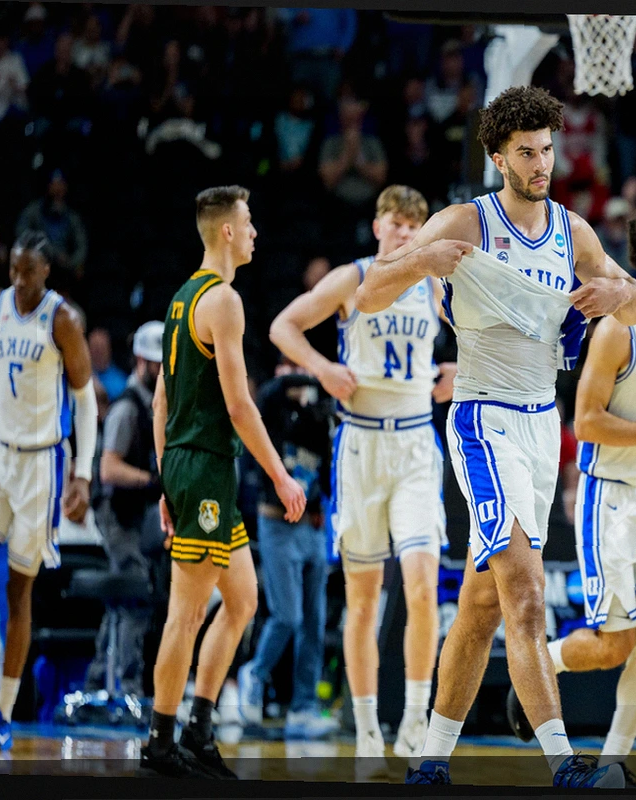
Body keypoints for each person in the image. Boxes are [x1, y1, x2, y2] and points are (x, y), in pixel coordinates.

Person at [354, 85, 636, 788]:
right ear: (498, 157)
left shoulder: (573, 231)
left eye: (547, 150)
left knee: (481, 606)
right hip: (484, 419)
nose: (542, 163)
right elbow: (367, 293)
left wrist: (621, 296)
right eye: (526, 152)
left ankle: (429, 762)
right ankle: (565, 765)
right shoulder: (468, 220)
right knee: (525, 591)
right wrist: (420, 263)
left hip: (543, 427)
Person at [504, 201, 636, 787]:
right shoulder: (618, 331)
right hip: (613, 498)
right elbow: (587, 423)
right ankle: (543, 664)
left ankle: (613, 763)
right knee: (614, 645)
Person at [267, 185, 454, 769]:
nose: (405, 234)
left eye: (414, 226)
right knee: (364, 597)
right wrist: (322, 368)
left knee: (422, 586)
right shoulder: (353, 278)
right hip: (361, 446)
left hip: (416, 443)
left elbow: (484, 338)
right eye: (396, 224)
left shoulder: (435, 282)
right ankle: (368, 726)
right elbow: (283, 327)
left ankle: (416, 717)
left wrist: (460, 369)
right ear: (378, 227)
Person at [138, 186, 307, 778]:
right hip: (206, 467)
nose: (256, 231)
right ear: (228, 231)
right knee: (185, 614)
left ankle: (199, 730)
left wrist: (168, 480)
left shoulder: (181, 298)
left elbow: (160, 402)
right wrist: (281, 475)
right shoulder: (224, 300)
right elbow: (239, 405)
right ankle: (160, 741)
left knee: (243, 600)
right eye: (249, 221)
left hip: (191, 468)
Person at [0, 231, 97, 751]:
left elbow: (85, 402)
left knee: (18, 591)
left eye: (27, 271)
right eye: (12, 270)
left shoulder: (63, 320)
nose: (17, 279)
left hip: (41, 465)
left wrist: (83, 474)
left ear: (46, 272)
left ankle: (3, 714)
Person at [236, 358, 338, 741]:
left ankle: (304, 707)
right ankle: (254, 674)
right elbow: (273, 390)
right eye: (291, 368)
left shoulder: (315, 415)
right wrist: (317, 372)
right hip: (276, 524)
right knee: (287, 615)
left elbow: (325, 470)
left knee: (314, 621)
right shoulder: (270, 409)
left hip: (312, 527)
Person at [81, 321, 166, 702]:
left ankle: (98, 680)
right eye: (158, 365)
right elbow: (109, 469)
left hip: (137, 515)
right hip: (115, 512)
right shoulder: (128, 407)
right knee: (135, 592)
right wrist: (151, 480)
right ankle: (127, 685)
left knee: (127, 594)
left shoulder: (154, 406)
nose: (163, 373)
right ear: (141, 361)